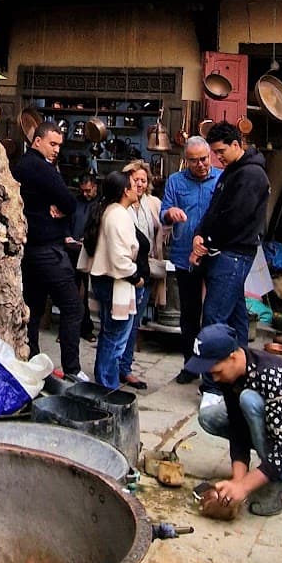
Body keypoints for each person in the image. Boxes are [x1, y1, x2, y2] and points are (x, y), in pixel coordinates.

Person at [189, 323, 282, 517]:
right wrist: (238, 480)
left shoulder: (270, 374)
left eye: (217, 371)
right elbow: (239, 430)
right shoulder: (232, 375)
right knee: (210, 416)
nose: (215, 378)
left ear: (233, 357)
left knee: (250, 400)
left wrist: (245, 487)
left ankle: (280, 484)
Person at [190, 123, 269, 386]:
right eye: (215, 152)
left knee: (214, 319)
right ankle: (242, 375)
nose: (217, 157)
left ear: (237, 145)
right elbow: (214, 210)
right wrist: (200, 234)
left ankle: (213, 384)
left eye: (221, 151)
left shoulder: (252, 175)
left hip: (234, 254)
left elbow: (235, 219)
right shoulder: (231, 172)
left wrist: (208, 241)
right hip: (223, 252)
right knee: (236, 317)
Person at [12, 122, 88, 381]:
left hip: (30, 246)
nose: (56, 150)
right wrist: (61, 206)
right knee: (72, 306)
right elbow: (69, 201)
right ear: (37, 141)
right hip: (46, 249)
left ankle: (32, 360)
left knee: (33, 307)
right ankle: (72, 369)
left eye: (59, 145)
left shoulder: (23, 164)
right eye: (52, 144)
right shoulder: (39, 166)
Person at [160, 136, 221, 384]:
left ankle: (213, 367)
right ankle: (190, 365)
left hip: (215, 256)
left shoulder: (221, 180)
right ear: (186, 160)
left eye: (204, 159)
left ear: (210, 157)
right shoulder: (175, 181)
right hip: (185, 256)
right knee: (189, 314)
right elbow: (163, 213)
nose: (200, 165)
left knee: (214, 313)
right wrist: (169, 214)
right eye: (194, 161)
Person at [90, 169, 143, 391]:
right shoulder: (118, 214)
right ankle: (107, 386)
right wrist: (136, 277)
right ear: (125, 190)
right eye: (133, 183)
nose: (137, 187)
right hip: (117, 282)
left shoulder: (109, 210)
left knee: (109, 334)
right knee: (115, 338)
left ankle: (104, 381)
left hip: (106, 280)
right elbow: (120, 256)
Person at [118, 161, 161, 391]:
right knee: (119, 322)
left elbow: (161, 230)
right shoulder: (120, 206)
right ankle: (113, 367)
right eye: (136, 180)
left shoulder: (152, 204)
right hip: (126, 270)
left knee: (134, 322)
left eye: (144, 180)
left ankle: (125, 367)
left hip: (145, 270)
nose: (140, 184)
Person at [69, 171, 99, 341]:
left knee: (86, 293)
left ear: (95, 187)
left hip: (89, 251)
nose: (85, 194)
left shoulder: (99, 205)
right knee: (72, 291)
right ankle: (71, 328)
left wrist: (87, 239)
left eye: (88, 190)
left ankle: (86, 328)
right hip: (72, 250)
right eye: (83, 190)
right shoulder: (76, 202)